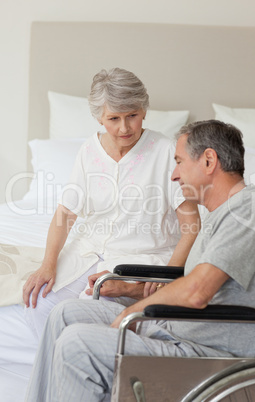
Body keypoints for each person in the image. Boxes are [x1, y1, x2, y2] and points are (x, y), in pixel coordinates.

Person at [25, 119, 255, 402]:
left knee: (77, 344)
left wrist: (131, 312)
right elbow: (192, 282)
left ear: (209, 160)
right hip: (173, 328)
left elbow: (197, 290)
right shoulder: (221, 213)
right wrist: (129, 290)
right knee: (64, 314)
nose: (174, 175)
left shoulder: (249, 211)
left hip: (205, 352)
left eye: (179, 162)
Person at [22, 68, 200, 339]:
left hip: (143, 257)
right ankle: (60, 374)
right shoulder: (88, 150)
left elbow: (192, 224)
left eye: (132, 116)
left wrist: (167, 276)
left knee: (87, 316)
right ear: (99, 118)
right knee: (36, 306)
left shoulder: (166, 151)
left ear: (144, 110)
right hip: (87, 253)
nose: (124, 128)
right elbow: (66, 212)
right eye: (113, 118)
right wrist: (48, 264)